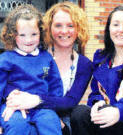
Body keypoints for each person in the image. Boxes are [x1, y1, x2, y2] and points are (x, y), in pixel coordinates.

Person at [5, 1, 93, 134]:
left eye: (70, 25)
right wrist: (15, 98)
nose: (64, 31)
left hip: (58, 118)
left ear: (79, 28)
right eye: (58, 25)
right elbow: (8, 79)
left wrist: (36, 100)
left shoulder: (84, 64)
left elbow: (70, 102)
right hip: (19, 112)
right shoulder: (31, 52)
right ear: (48, 28)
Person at [70, 5, 123, 135]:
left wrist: (118, 112)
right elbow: (95, 93)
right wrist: (96, 103)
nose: (120, 30)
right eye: (116, 25)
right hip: (104, 115)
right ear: (109, 28)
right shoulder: (101, 57)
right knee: (80, 113)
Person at [0, 4, 63, 135]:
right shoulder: (6, 59)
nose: (28, 40)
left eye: (34, 34)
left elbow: (55, 86)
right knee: (17, 125)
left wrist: (55, 110)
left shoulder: (47, 58)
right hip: (13, 107)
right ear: (12, 35)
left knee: (51, 122)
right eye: (22, 35)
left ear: (41, 33)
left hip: (41, 107)